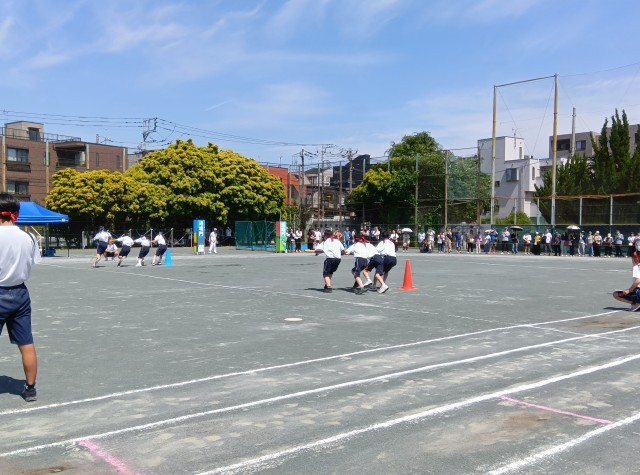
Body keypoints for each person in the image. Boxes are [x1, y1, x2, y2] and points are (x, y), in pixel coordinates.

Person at [0, 193, 42, 401]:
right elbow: (33, 261)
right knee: (26, 343)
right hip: (20, 293)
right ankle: (30, 389)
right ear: (15, 213)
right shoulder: (29, 237)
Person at [314, 228, 344, 293]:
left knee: (325, 273)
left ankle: (329, 287)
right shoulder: (337, 241)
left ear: (325, 236)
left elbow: (316, 250)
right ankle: (327, 284)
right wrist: (341, 254)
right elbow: (343, 250)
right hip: (338, 259)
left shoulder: (324, 242)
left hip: (330, 259)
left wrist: (322, 251)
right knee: (330, 272)